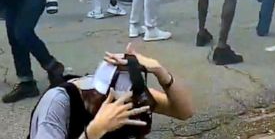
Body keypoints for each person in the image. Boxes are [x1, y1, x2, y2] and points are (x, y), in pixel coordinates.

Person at [28, 43, 194, 138]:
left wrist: (160, 71)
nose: (123, 111)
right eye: (118, 104)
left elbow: (184, 112)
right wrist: (93, 132)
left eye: (129, 105)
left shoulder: (133, 97)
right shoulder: (57, 104)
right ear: (96, 93)